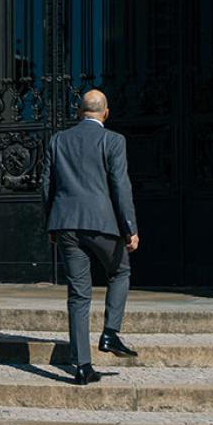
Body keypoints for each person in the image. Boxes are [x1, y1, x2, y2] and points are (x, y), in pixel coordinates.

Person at [41, 89, 140, 386]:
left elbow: (47, 184)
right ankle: (110, 332)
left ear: (79, 112)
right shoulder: (113, 140)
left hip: (66, 225)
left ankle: (82, 366)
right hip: (101, 223)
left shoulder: (58, 140)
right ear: (105, 113)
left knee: (78, 295)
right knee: (120, 271)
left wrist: (51, 225)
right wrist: (130, 228)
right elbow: (120, 186)